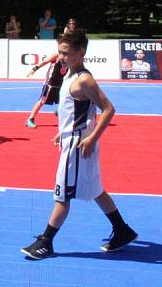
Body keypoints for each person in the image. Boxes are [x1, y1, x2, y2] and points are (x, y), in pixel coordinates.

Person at [21, 30, 137, 260]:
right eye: (59, 52)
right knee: (95, 189)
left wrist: (92, 137)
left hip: (78, 145)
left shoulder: (84, 79)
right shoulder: (69, 75)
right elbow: (76, 111)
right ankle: (122, 230)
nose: (60, 57)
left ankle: (46, 241)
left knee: (62, 195)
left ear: (80, 53)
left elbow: (108, 109)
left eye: (65, 53)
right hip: (74, 138)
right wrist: (61, 132)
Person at [25, 52, 66, 128]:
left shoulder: (70, 57)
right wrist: (34, 69)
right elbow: (45, 62)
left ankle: (59, 111)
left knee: (65, 100)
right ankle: (30, 119)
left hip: (60, 84)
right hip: (49, 84)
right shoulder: (57, 55)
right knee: (42, 101)